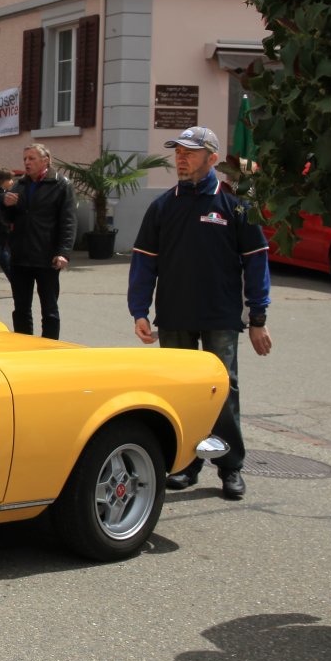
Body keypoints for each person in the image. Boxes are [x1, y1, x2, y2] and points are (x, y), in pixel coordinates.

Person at [128, 126, 272, 500]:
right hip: (174, 315)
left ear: (212, 158)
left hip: (221, 316)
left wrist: (258, 318)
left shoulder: (236, 206)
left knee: (223, 390)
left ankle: (230, 467)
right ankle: (186, 465)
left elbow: (257, 263)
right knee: (180, 393)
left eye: (189, 153)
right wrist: (139, 310)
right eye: (178, 152)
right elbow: (144, 262)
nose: (181, 158)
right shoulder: (162, 206)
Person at [0, 143, 76, 339]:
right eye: (25, 159)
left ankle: (50, 348)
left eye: (31, 158)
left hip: (47, 256)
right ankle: (24, 346)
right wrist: (7, 206)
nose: (27, 162)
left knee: (49, 309)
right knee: (21, 309)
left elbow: (68, 221)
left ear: (45, 160)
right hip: (21, 256)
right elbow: (8, 219)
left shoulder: (61, 184)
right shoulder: (20, 184)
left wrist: (64, 252)